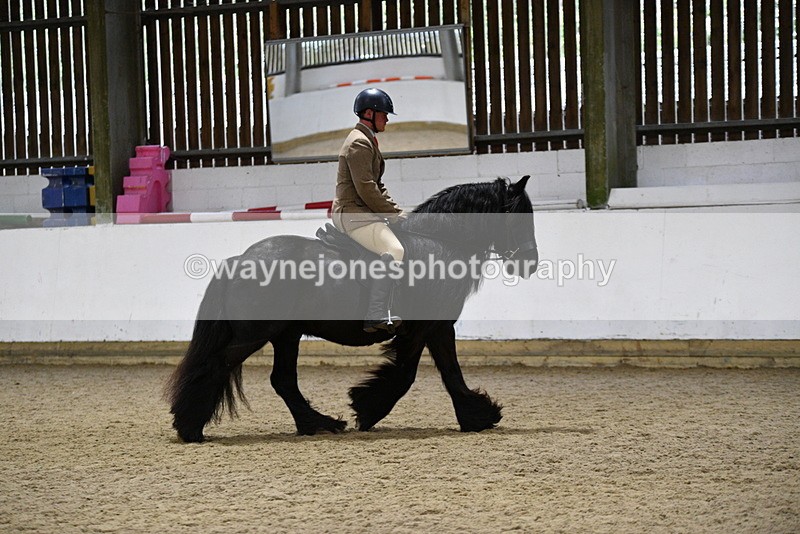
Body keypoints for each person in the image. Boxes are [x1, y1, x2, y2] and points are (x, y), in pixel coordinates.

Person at [331, 87, 406, 333]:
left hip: (362, 212)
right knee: (395, 249)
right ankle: (375, 313)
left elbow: (377, 186)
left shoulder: (367, 139)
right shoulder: (359, 143)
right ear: (370, 113)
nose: (387, 119)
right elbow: (366, 189)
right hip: (352, 214)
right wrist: (393, 215)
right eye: (384, 114)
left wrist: (397, 211)